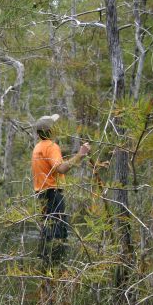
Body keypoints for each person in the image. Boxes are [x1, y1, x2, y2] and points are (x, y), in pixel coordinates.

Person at [31, 113, 90, 264]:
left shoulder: (38, 147)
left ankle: (45, 266)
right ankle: (56, 268)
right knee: (58, 235)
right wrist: (80, 155)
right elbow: (61, 169)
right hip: (53, 195)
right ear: (51, 131)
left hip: (42, 195)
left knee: (48, 232)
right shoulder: (51, 147)